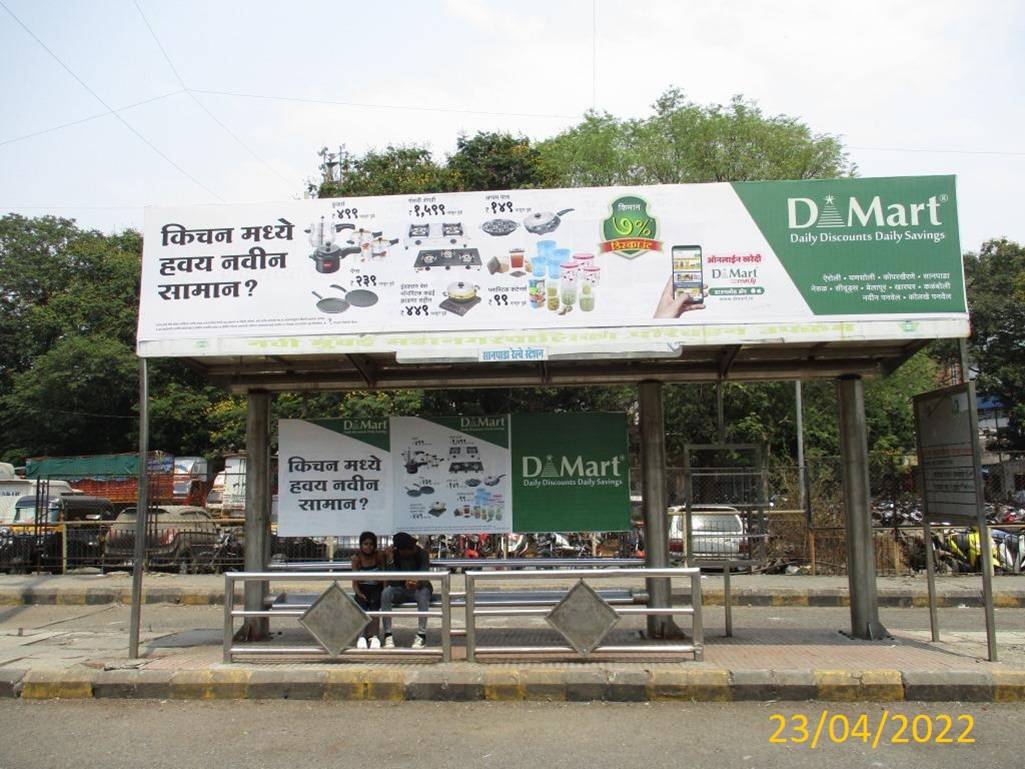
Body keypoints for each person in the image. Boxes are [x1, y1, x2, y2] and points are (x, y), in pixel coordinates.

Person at [380, 531, 432, 648]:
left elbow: (425, 575)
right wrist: (390, 560)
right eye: (409, 548)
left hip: (419, 588)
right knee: (386, 593)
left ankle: (421, 635)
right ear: (400, 550)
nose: (413, 549)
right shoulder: (394, 556)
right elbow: (392, 580)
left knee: (424, 593)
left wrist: (417, 583)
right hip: (401, 589)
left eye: (413, 547)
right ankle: (388, 634)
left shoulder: (422, 553)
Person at [351, 531, 386, 649]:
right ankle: (362, 636)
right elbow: (354, 582)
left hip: (377, 587)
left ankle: (374, 636)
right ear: (360, 545)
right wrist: (359, 593)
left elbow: (385, 576)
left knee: (375, 607)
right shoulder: (356, 559)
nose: (368, 547)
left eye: (371, 544)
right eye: (365, 544)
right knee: (361, 607)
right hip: (362, 588)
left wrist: (384, 591)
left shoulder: (379, 556)